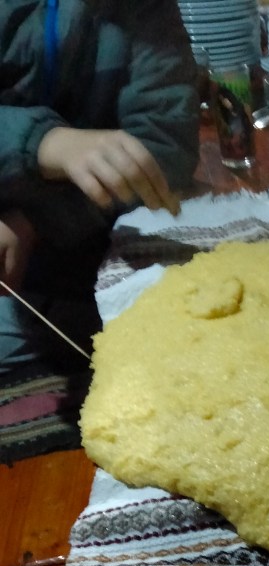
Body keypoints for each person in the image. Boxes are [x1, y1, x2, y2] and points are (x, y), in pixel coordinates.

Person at [0, 0, 200, 376]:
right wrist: (43, 144)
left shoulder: (147, 11)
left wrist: (32, 221)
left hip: (90, 258)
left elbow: (164, 147)